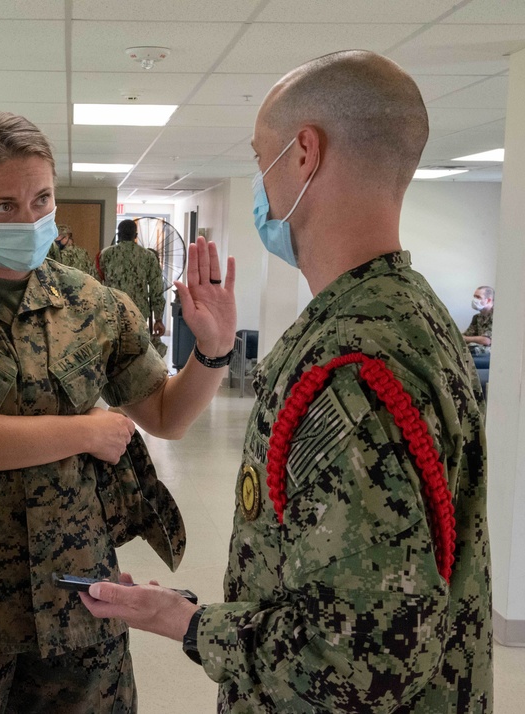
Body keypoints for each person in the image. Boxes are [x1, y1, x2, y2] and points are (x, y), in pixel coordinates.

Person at [81, 50, 493, 713]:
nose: (260, 182)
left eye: (260, 156)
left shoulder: (342, 370)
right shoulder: (415, 315)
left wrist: (183, 623)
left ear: (303, 154)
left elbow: (364, 658)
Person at [0, 111, 237, 712]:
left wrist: (213, 351)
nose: (31, 219)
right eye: (5, 205)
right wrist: (87, 431)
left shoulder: (89, 299)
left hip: (77, 598)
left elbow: (166, 415)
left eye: (42, 199)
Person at [99, 220, 169, 358]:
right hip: (138, 313)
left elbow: (97, 283)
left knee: (113, 354)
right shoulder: (148, 256)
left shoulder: (105, 255)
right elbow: (156, 290)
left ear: (118, 234)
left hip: (112, 311)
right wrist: (158, 319)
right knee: (138, 355)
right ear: (135, 235)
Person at [463, 285, 494, 355]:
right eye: (474, 296)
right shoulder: (477, 317)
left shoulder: (498, 316)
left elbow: (487, 340)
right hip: (478, 351)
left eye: (478, 297)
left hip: (491, 354)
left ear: (488, 300)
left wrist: (465, 338)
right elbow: (467, 334)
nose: (475, 299)